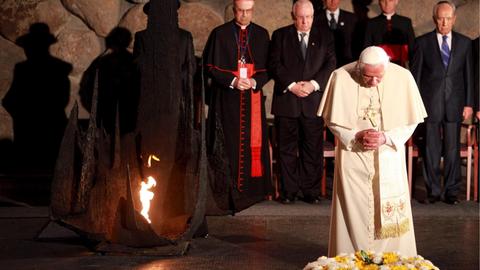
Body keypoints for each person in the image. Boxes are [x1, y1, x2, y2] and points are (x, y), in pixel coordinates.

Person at [318, 46, 427, 256]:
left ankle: (392, 255)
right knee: (354, 207)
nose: (374, 82)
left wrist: (387, 137)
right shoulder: (341, 77)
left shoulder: (402, 77)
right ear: (359, 68)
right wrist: (355, 135)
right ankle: (351, 256)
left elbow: (411, 121)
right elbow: (331, 119)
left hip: (388, 153)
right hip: (353, 155)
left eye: (379, 77)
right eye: (368, 76)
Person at [203, 0, 271, 214]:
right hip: (227, 100)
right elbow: (210, 67)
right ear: (234, 10)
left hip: (252, 98)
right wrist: (232, 80)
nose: (244, 15)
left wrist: (253, 82)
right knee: (229, 142)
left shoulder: (261, 34)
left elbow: (269, 68)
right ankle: (226, 192)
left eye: (248, 11)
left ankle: (252, 192)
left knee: (253, 143)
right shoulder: (220, 33)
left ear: (253, 11)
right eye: (240, 11)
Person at [269, 0, 336, 204]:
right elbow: (274, 64)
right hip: (287, 101)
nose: (305, 21)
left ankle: (310, 192)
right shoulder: (280, 35)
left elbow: (331, 64)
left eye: (308, 17)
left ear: (313, 16)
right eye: (300, 17)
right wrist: (292, 85)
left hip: (313, 102)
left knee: (312, 149)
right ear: (293, 15)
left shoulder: (325, 36)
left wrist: (313, 84)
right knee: (286, 150)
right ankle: (288, 192)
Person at [411, 1, 473, 205]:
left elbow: (469, 77)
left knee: (452, 150)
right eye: (440, 18)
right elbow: (416, 77)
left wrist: (468, 104)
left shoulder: (465, 43)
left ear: (454, 19)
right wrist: (416, 104)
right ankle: (433, 191)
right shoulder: (422, 43)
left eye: (448, 18)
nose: (444, 22)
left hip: (455, 103)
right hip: (430, 104)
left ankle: (451, 191)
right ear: (434, 19)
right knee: (431, 149)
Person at [2, 22, 72, 173]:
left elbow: (11, 98)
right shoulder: (57, 69)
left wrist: (23, 109)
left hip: (34, 128)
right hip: (45, 127)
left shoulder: (24, 70)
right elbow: (62, 99)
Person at [363, 0, 415, 66]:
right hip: (378, 65)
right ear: (379, 2)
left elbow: (412, 47)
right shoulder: (371, 24)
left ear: (396, 1)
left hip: (400, 65)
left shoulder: (405, 22)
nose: (387, 4)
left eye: (390, 0)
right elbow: (367, 48)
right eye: (383, 1)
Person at [314, 0, 361, 67]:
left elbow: (357, 44)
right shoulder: (314, 19)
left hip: (346, 63)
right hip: (322, 64)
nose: (332, 1)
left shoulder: (352, 18)